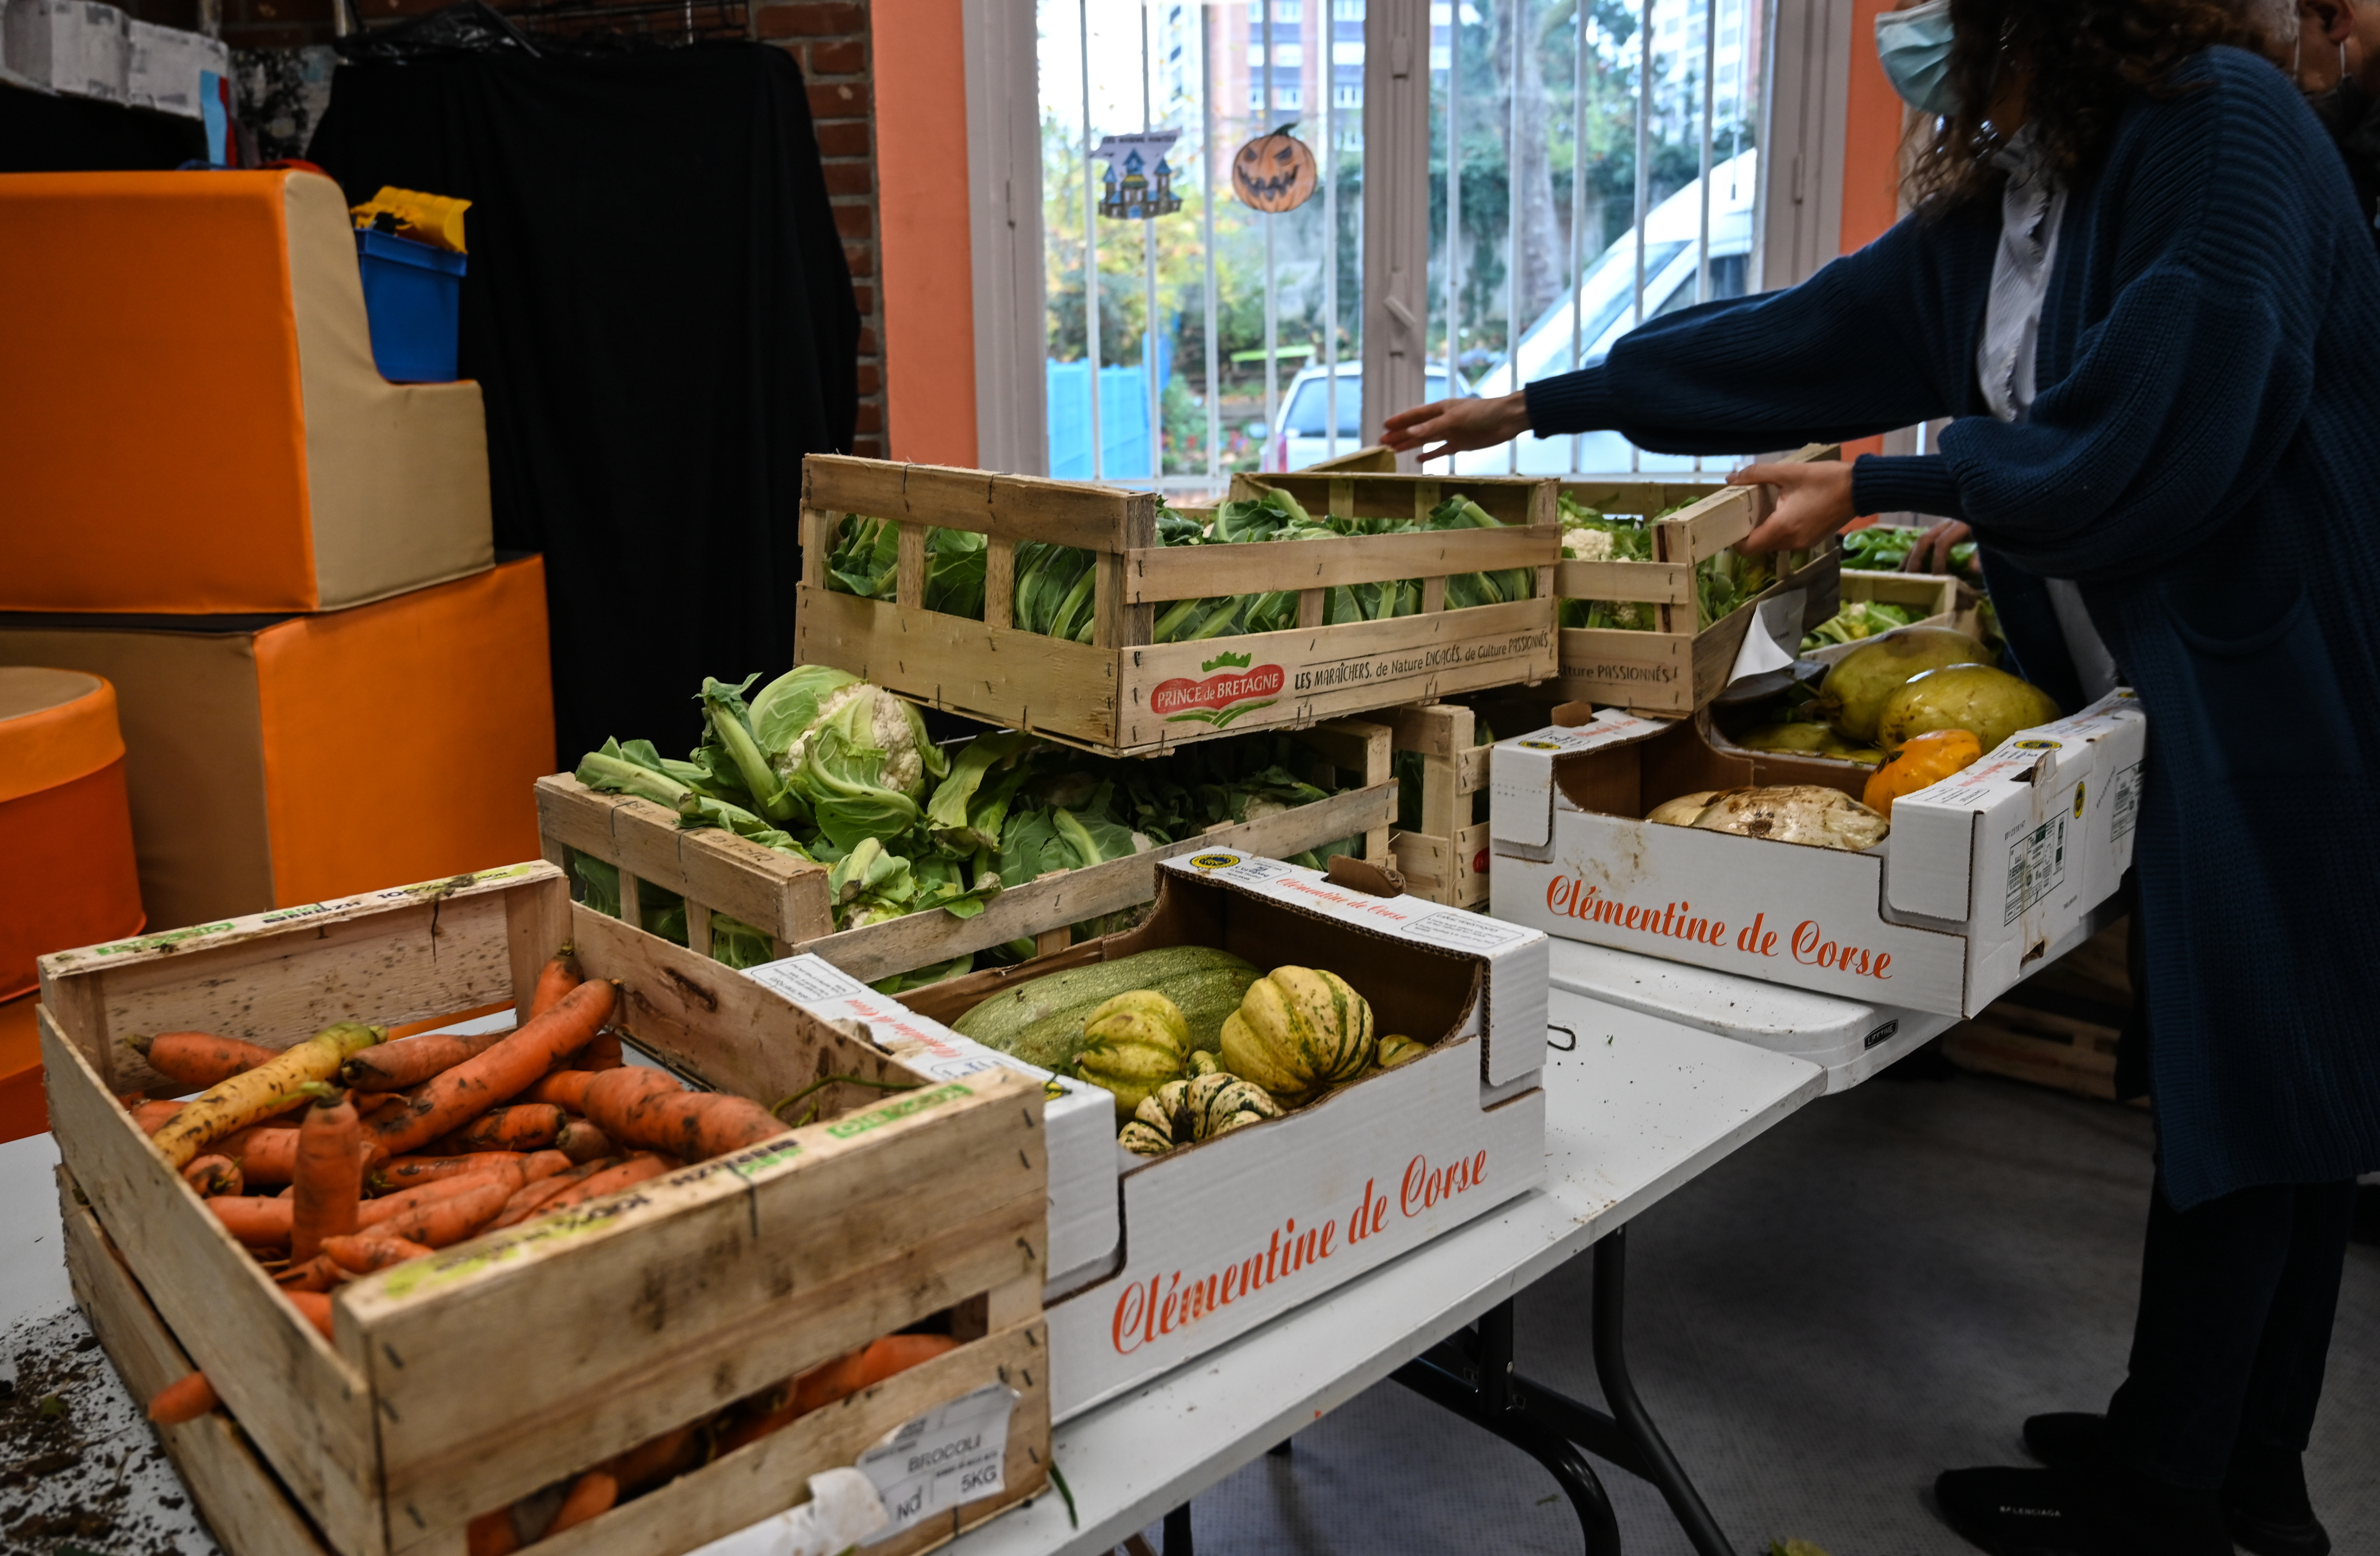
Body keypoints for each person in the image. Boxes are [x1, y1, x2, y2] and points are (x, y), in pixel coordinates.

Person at [1382, 2, 2380, 1553]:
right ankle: (2219, 1461)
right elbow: (1819, 330)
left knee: (2261, 1087)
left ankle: (2175, 1500)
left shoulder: (2221, 127)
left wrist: (1888, 480)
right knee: (2271, 1085)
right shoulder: (2048, 181)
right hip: (2192, 677)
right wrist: (1542, 404)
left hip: (2287, 679)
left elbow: (2165, 435)